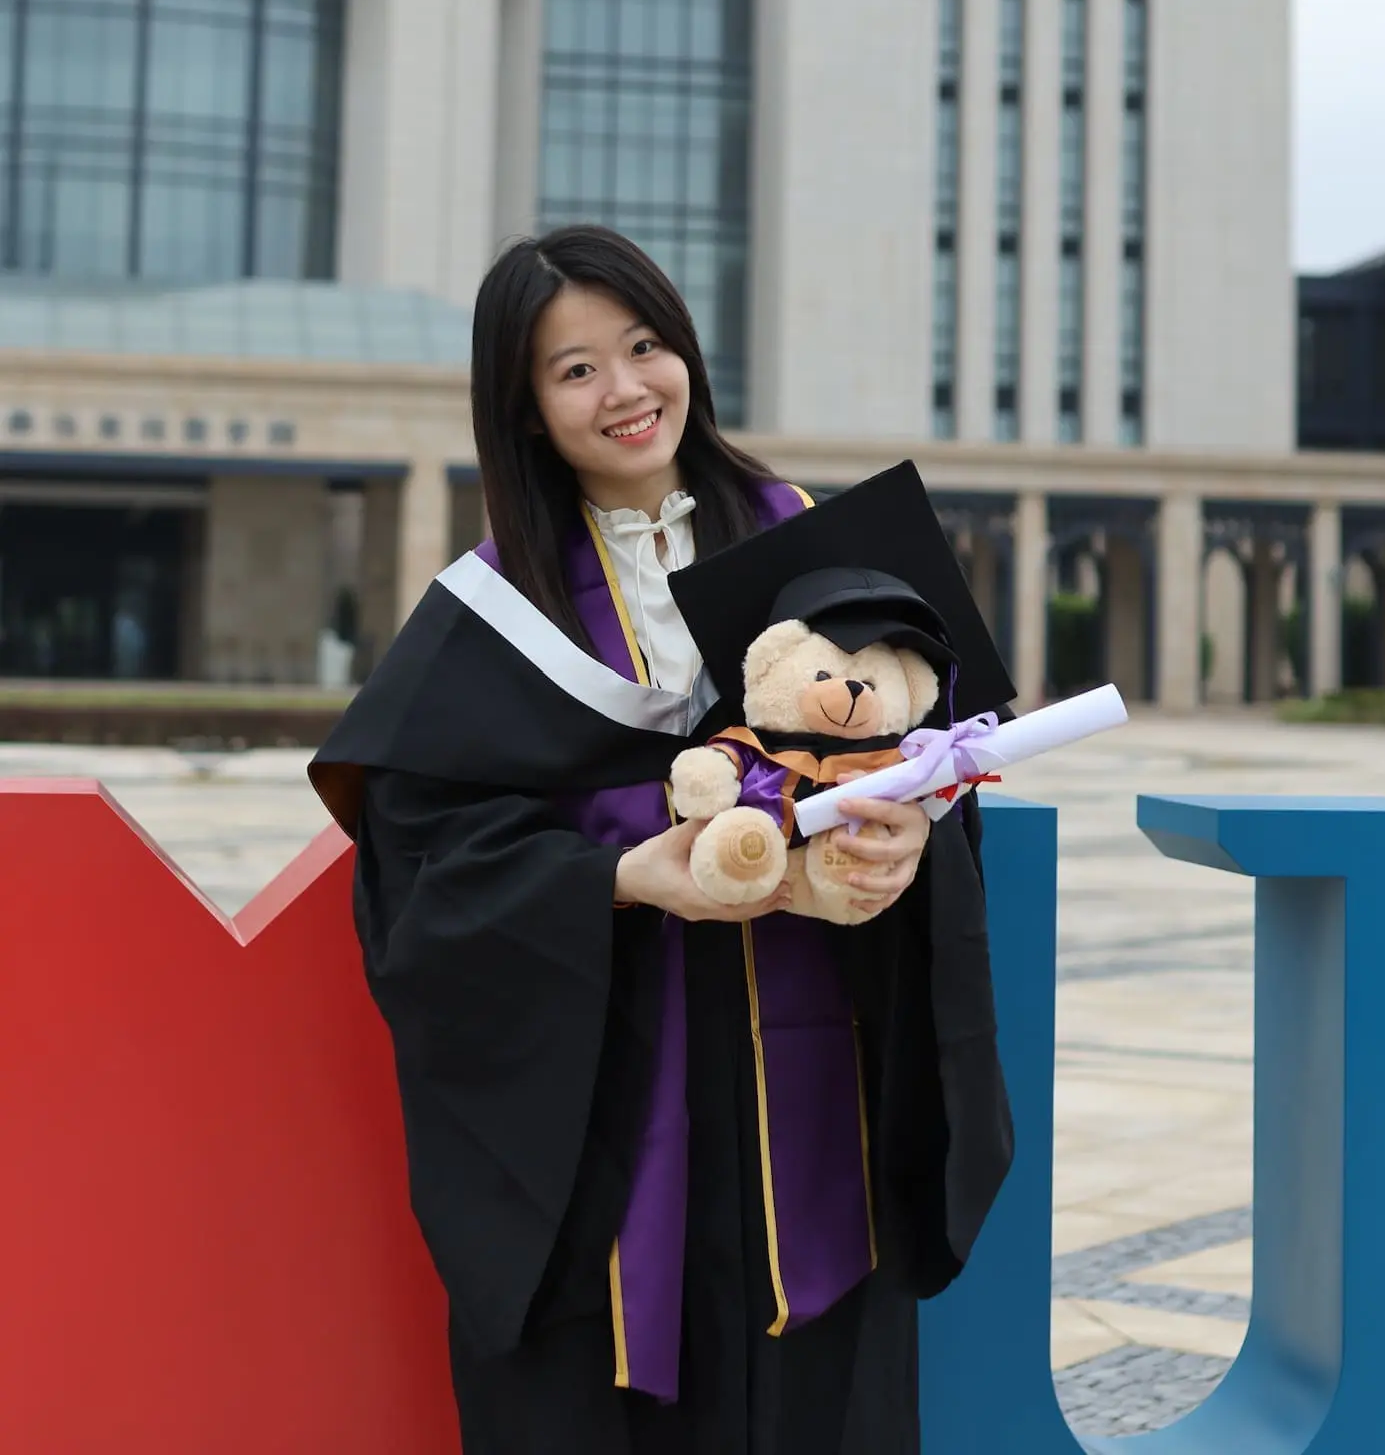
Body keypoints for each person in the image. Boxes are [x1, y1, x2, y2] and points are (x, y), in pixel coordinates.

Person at [311, 225, 1011, 1455]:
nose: (625, 389)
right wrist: (623, 878)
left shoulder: (816, 547)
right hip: (606, 1103)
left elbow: (928, 756)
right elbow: (421, 872)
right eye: (575, 369)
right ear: (526, 408)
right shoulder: (496, 608)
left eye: (644, 347)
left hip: (815, 1082)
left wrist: (910, 839)